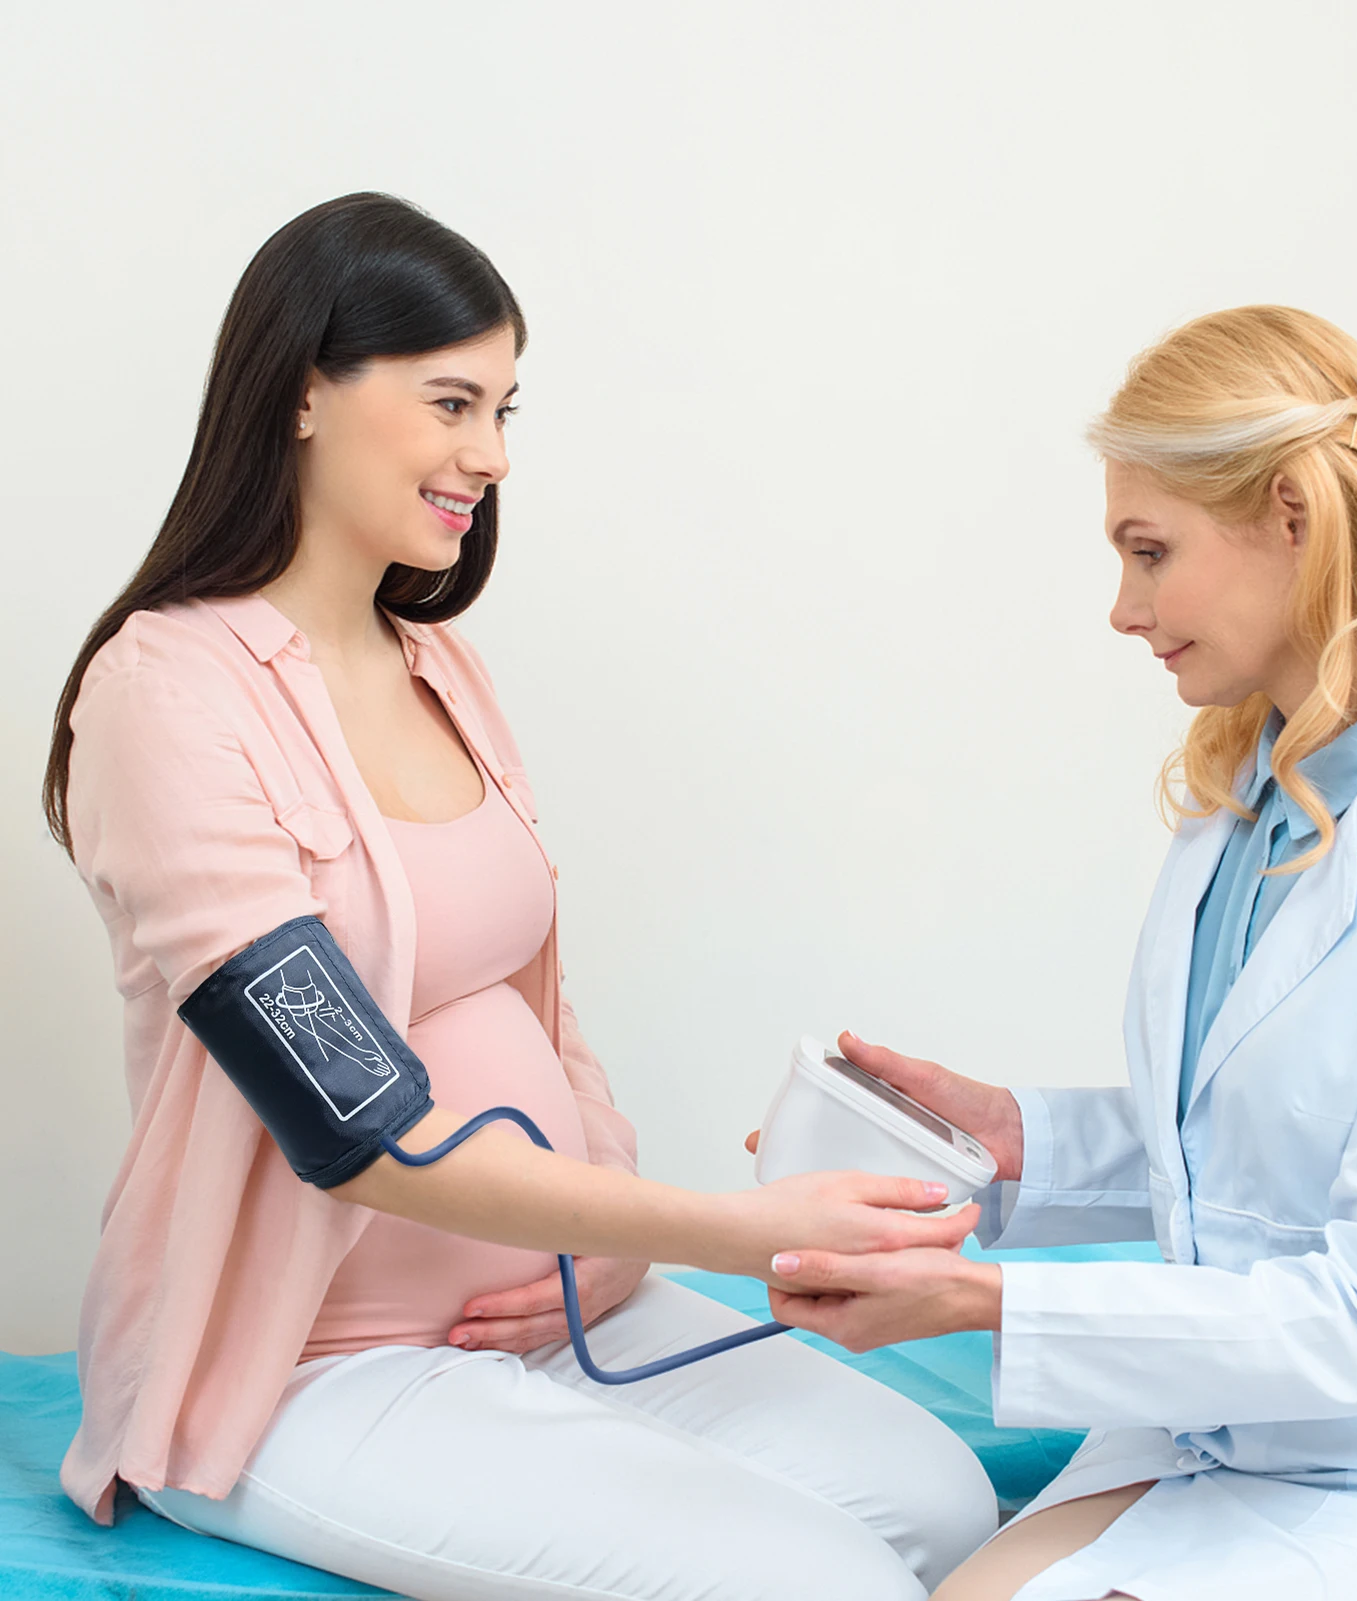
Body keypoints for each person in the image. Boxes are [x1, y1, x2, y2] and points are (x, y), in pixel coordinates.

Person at [42, 192, 998, 1601]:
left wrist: (598, 1238)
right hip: (322, 1367)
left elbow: (538, 1006)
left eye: (503, 409)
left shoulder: (441, 666)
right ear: (302, 392)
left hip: (553, 1306)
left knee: (946, 1505)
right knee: (823, 1580)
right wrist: (731, 1229)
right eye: (451, 403)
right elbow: (346, 1119)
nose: (489, 454)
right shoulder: (165, 695)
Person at [762, 306, 1357, 1599]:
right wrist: (1008, 1142)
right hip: (1218, 1421)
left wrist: (991, 1305)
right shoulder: (1248, 796)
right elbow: (1255, 1145)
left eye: (1150, 551)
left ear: (1293, 516)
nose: (1122, 609)